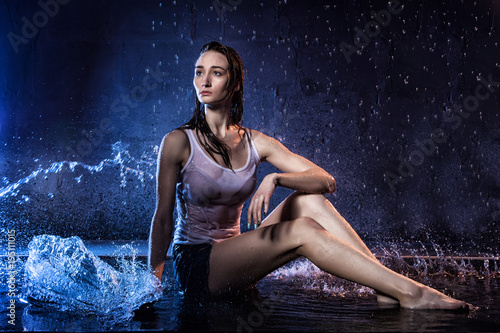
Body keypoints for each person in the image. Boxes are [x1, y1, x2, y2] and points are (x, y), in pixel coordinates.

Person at [148, 41, 474, 310]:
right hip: (198, 266)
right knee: (302, 230)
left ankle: (385, 287)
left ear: (233, 84)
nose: (203, 82)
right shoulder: (179, 142)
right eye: (199, 72)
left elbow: (325, 181)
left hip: (238, 255)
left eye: (215, 73)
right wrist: (153, 284)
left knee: (310, 201)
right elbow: (163, 218)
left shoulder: (254, 141)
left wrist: (275, 179)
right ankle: (412, 294)